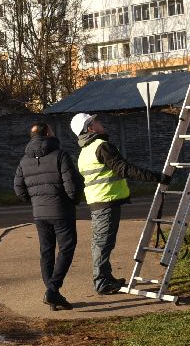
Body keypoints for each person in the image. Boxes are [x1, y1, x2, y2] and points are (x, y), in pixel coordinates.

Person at [71, 112, 170, 295]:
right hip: (106, 200)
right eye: (95, 121)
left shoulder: (85, 150)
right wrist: (157, 177)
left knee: (101, 242)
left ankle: (106, 277)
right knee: (103, 243)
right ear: (90, 128)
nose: (100, 122)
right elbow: (124, 169)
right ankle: (102, 282)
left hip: (98, 201)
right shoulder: (102, 147)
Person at [12, 122, 80, 311]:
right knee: (67, 248)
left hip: (39, 213)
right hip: (62, 211)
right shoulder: (60, 155)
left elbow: (18, 188)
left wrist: (34, 200)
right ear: (48, 133)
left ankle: (53, 295)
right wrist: (74, 200)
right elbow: (71, 185)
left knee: (46, 252)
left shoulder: (24, 160)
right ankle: (52, 289)